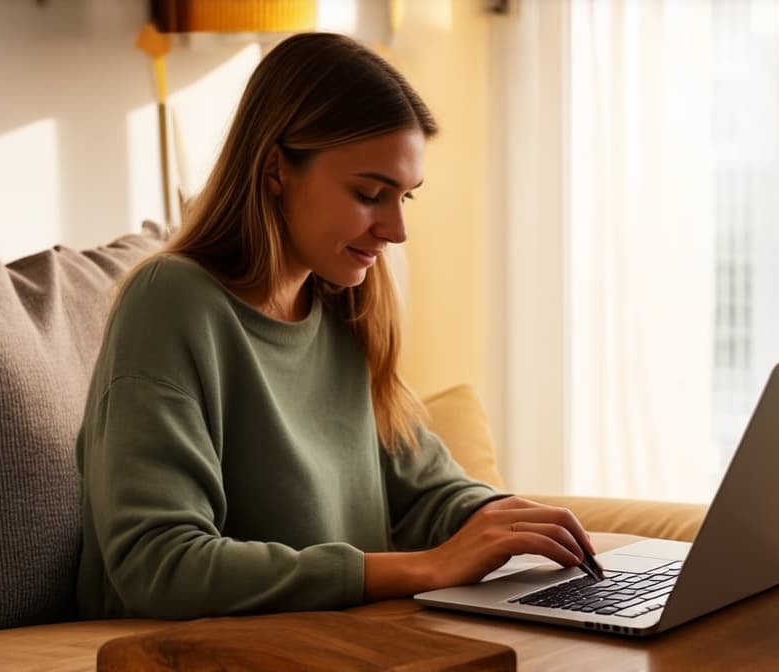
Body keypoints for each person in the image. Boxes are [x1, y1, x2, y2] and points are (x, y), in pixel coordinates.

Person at [76, 31, 597, 620]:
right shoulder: (171, 302)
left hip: (344, 639)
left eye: (406, 198)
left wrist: (508, 523)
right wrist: (426, 567)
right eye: (371, 193)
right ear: (276, 170)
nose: (396, 229)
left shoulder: (345, 303)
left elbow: (425, 492)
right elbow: (159, 565)